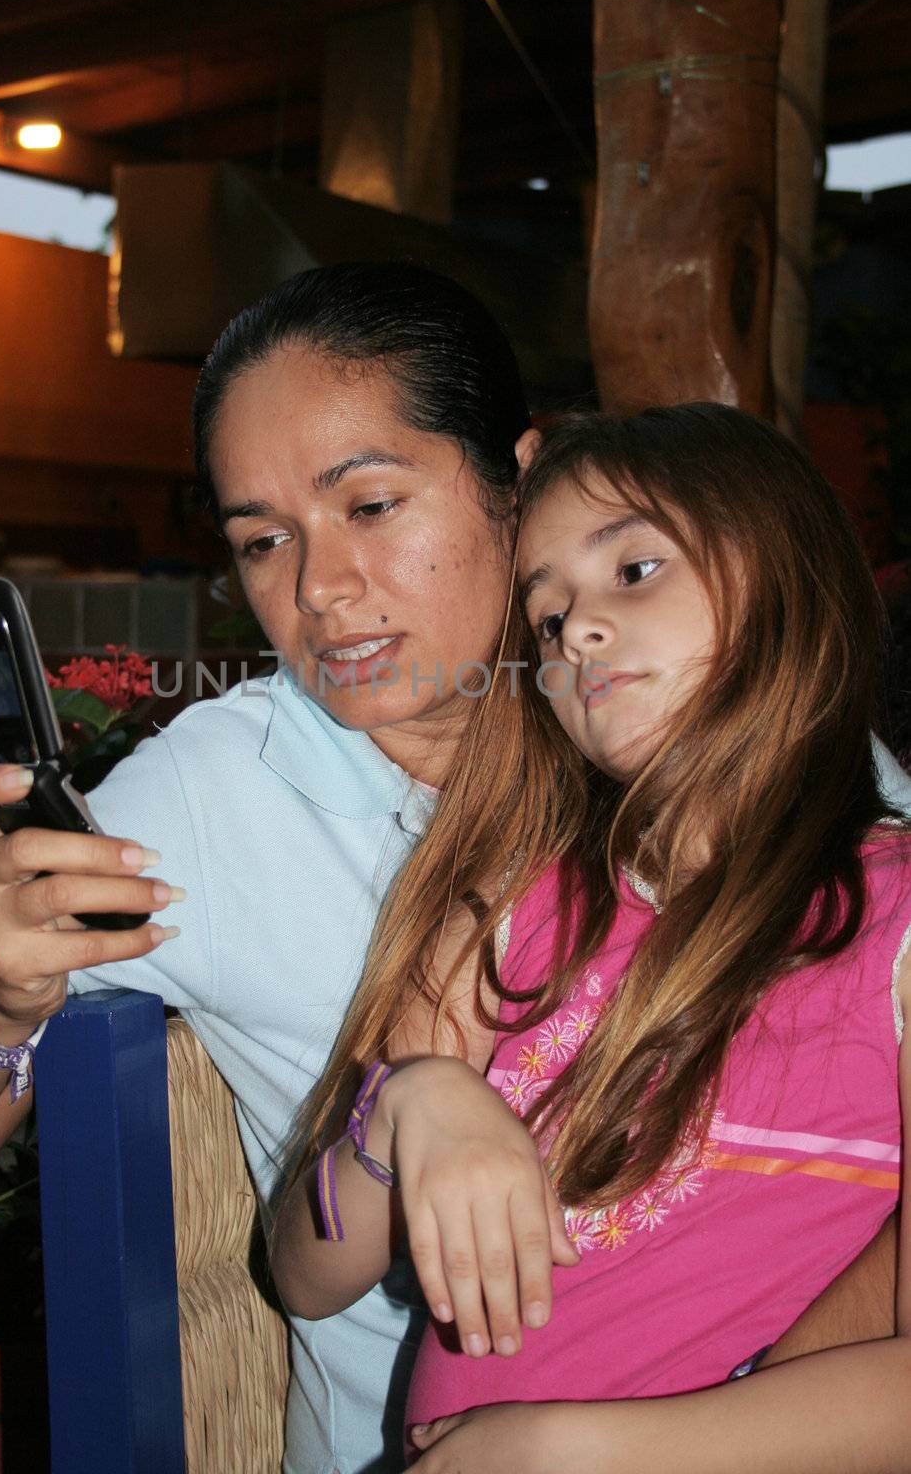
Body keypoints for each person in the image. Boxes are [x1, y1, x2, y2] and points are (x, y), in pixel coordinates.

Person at [0, 271, 906, 1474]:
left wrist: (700, 1416)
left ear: (518, 476)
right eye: (261, 539)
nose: (317, 588)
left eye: (371, 501)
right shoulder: (210, 797)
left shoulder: (753, 743)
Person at [271, 403, 911, 1473]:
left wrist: (567, 1451)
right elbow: (304, 1270)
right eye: (548, 609)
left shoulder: (889, 929)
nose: (574, 630)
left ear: (786, 574)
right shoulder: (513, 904)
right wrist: (408, 1105)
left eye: (632, 571)